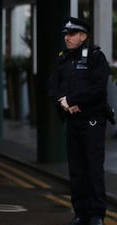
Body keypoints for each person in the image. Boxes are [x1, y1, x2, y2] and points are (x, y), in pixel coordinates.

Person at [48, 17, 110, 225]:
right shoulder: (63, 59)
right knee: (76, 170)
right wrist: (64, 103)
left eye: (72, 34)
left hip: (92, 120)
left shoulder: (95, 57)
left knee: (93, 168)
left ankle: (96, 214)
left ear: (83, 36)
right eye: (66, 34)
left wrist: (72, 100)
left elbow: (98, 89)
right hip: (73, 120)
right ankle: (80, 212)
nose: (67, 38)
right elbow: (52, 87)